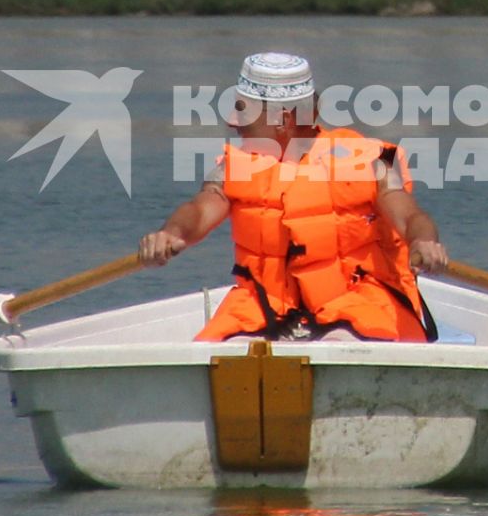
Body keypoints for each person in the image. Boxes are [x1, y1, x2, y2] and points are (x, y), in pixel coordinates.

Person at [139, 51, 448, 342]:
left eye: (243, 111)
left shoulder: (374, 161)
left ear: (282, 120)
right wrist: (171, 233)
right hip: (265, 306)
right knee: (219, 353)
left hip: (358, 302)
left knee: (345, 341)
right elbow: (200, 208)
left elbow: (408, 217)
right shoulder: (234, 166)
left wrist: (424, 241)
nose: (232, 121)